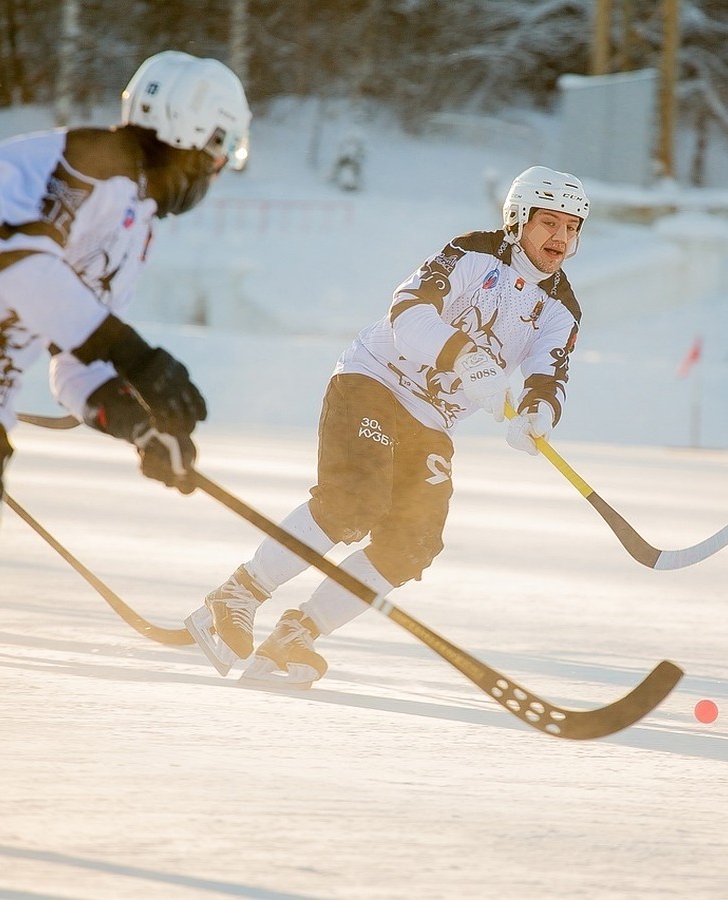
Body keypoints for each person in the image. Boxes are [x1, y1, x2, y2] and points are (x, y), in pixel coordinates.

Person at [0, 50, 252, 710]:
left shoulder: (133, 226)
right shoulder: (83, 160)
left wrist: (141, 424)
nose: (212, 171)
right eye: (216, 151)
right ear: (191, 135)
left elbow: (74, 362)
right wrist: (141, 359)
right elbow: (25, 267)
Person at [186, 166, 589, 687]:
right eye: (549, 223)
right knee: (354, 501)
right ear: (517, 220)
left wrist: (538, 413)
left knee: (414, 540)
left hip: (432, 420)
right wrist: (466, 358)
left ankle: (297, 633)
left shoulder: (562, 308)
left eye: (571, 228)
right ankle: (238, 594)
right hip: (373, 380)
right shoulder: (472, 253)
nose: (560, 238)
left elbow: (549, 371)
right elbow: (408, 311)